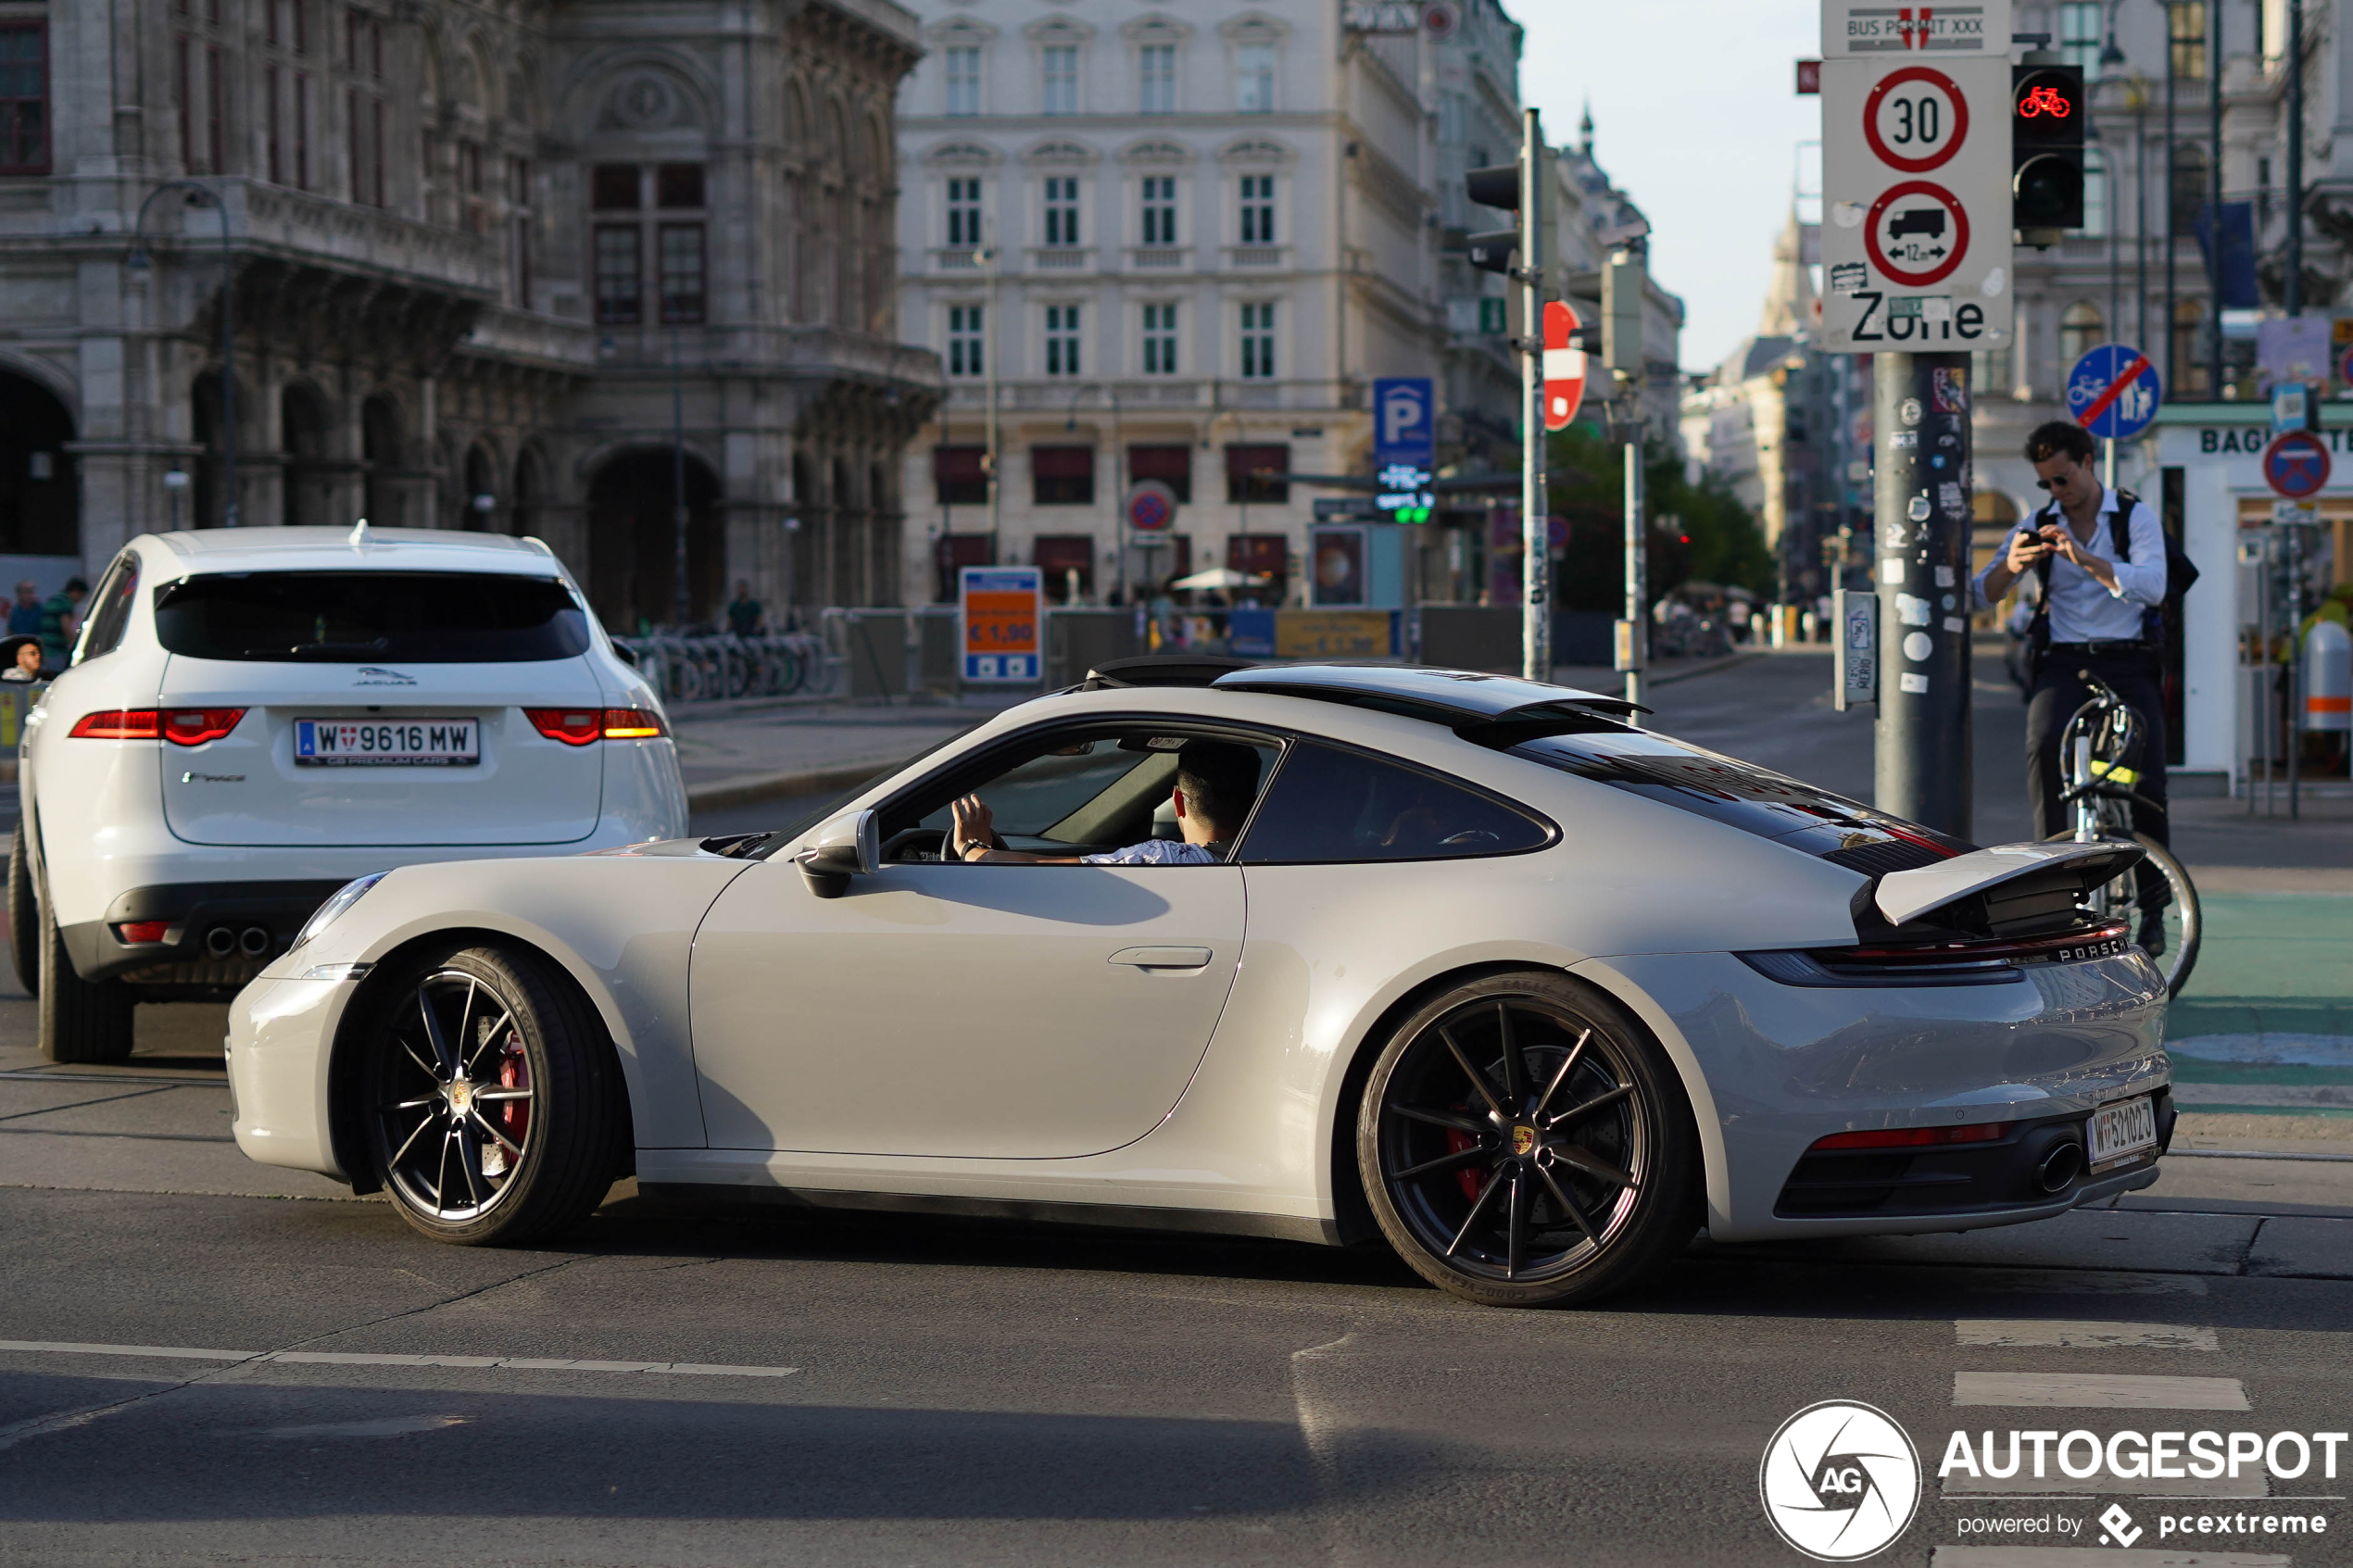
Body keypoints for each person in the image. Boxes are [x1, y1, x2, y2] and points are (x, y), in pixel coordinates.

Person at [1973, 420, 2171, 953]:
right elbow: (1981, 594)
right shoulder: (2039, 522)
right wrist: (2011, 566)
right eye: (2047, 484)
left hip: (2127, 659)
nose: (2057, 492)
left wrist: (2085, 559)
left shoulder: (2133, 517)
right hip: (2062, 661)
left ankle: (2154, 906)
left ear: (2087, 463)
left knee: (2146, 778)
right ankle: (2052, 892)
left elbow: (2154, 587)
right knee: (2042, 744)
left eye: (2063, 479)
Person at [950, 740, 1260, 866]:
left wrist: (971, 847)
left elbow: (1047, 870)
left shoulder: (1158, 860)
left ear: (1178, 801)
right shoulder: (1278, 858)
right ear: (1256, 802)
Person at [36, 578, 84, 670]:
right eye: (81, 596)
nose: (80, 600)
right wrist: (75, 643)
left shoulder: (54, 599)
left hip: (46, 648)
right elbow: (65, 625)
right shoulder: (65, 602)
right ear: (76, 592)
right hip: (57, 649)